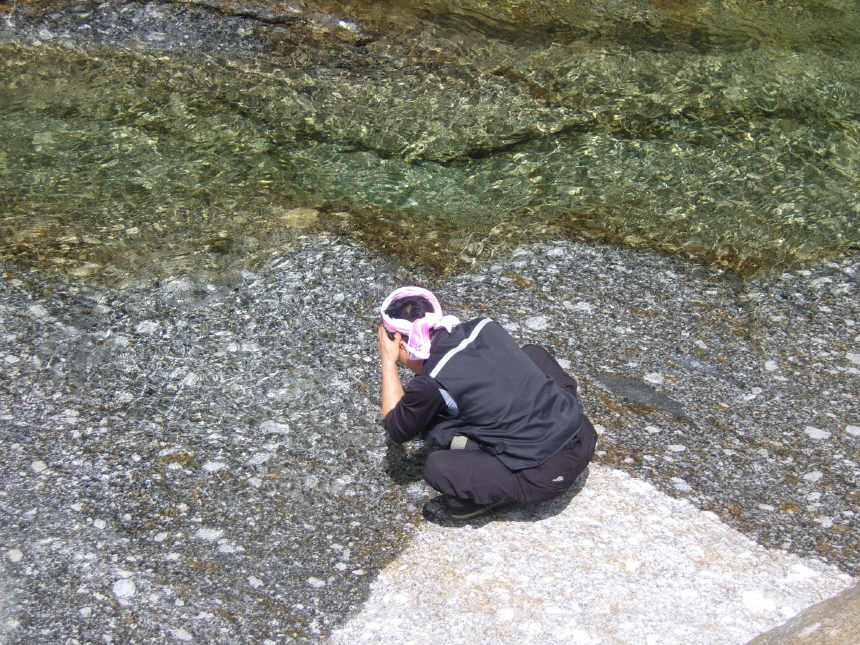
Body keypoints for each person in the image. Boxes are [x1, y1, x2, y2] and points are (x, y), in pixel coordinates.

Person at [377, 286, 597, 520]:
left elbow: (396, 427)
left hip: (545, 477)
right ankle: (556, 411)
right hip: (584, 432)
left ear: (400, 343)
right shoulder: (484, 326)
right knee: (533, 354)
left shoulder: (431, 381)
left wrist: (388, 363)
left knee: (439, 465)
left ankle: (497, 497)